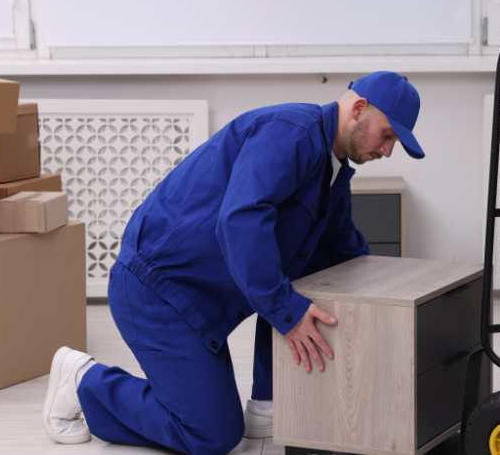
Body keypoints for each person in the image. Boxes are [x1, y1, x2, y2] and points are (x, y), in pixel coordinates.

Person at [39, 71, 425, 454]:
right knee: (213, 436)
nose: (387, 150)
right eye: (388, 135)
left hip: (202, 299)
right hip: (158, 291)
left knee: (325, 264)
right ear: (359, 109)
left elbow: (346, 252)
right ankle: (84, 380)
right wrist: (286, 312)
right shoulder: (291, 132)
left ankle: (270, 401)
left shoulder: (332, 169)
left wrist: (391, 306)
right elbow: (240, 220)